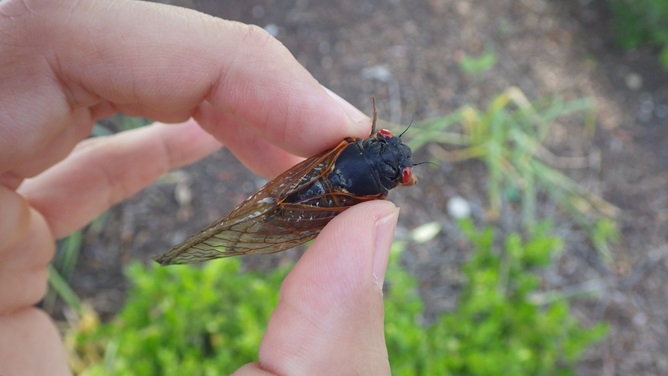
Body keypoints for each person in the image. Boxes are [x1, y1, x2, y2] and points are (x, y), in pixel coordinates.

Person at [0, 1, 397, 375]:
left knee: (259, 217)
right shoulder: (368, 179)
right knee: (265, 213)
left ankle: (216, 240)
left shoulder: (350, 148)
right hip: (303, 196)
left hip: (304, 199)